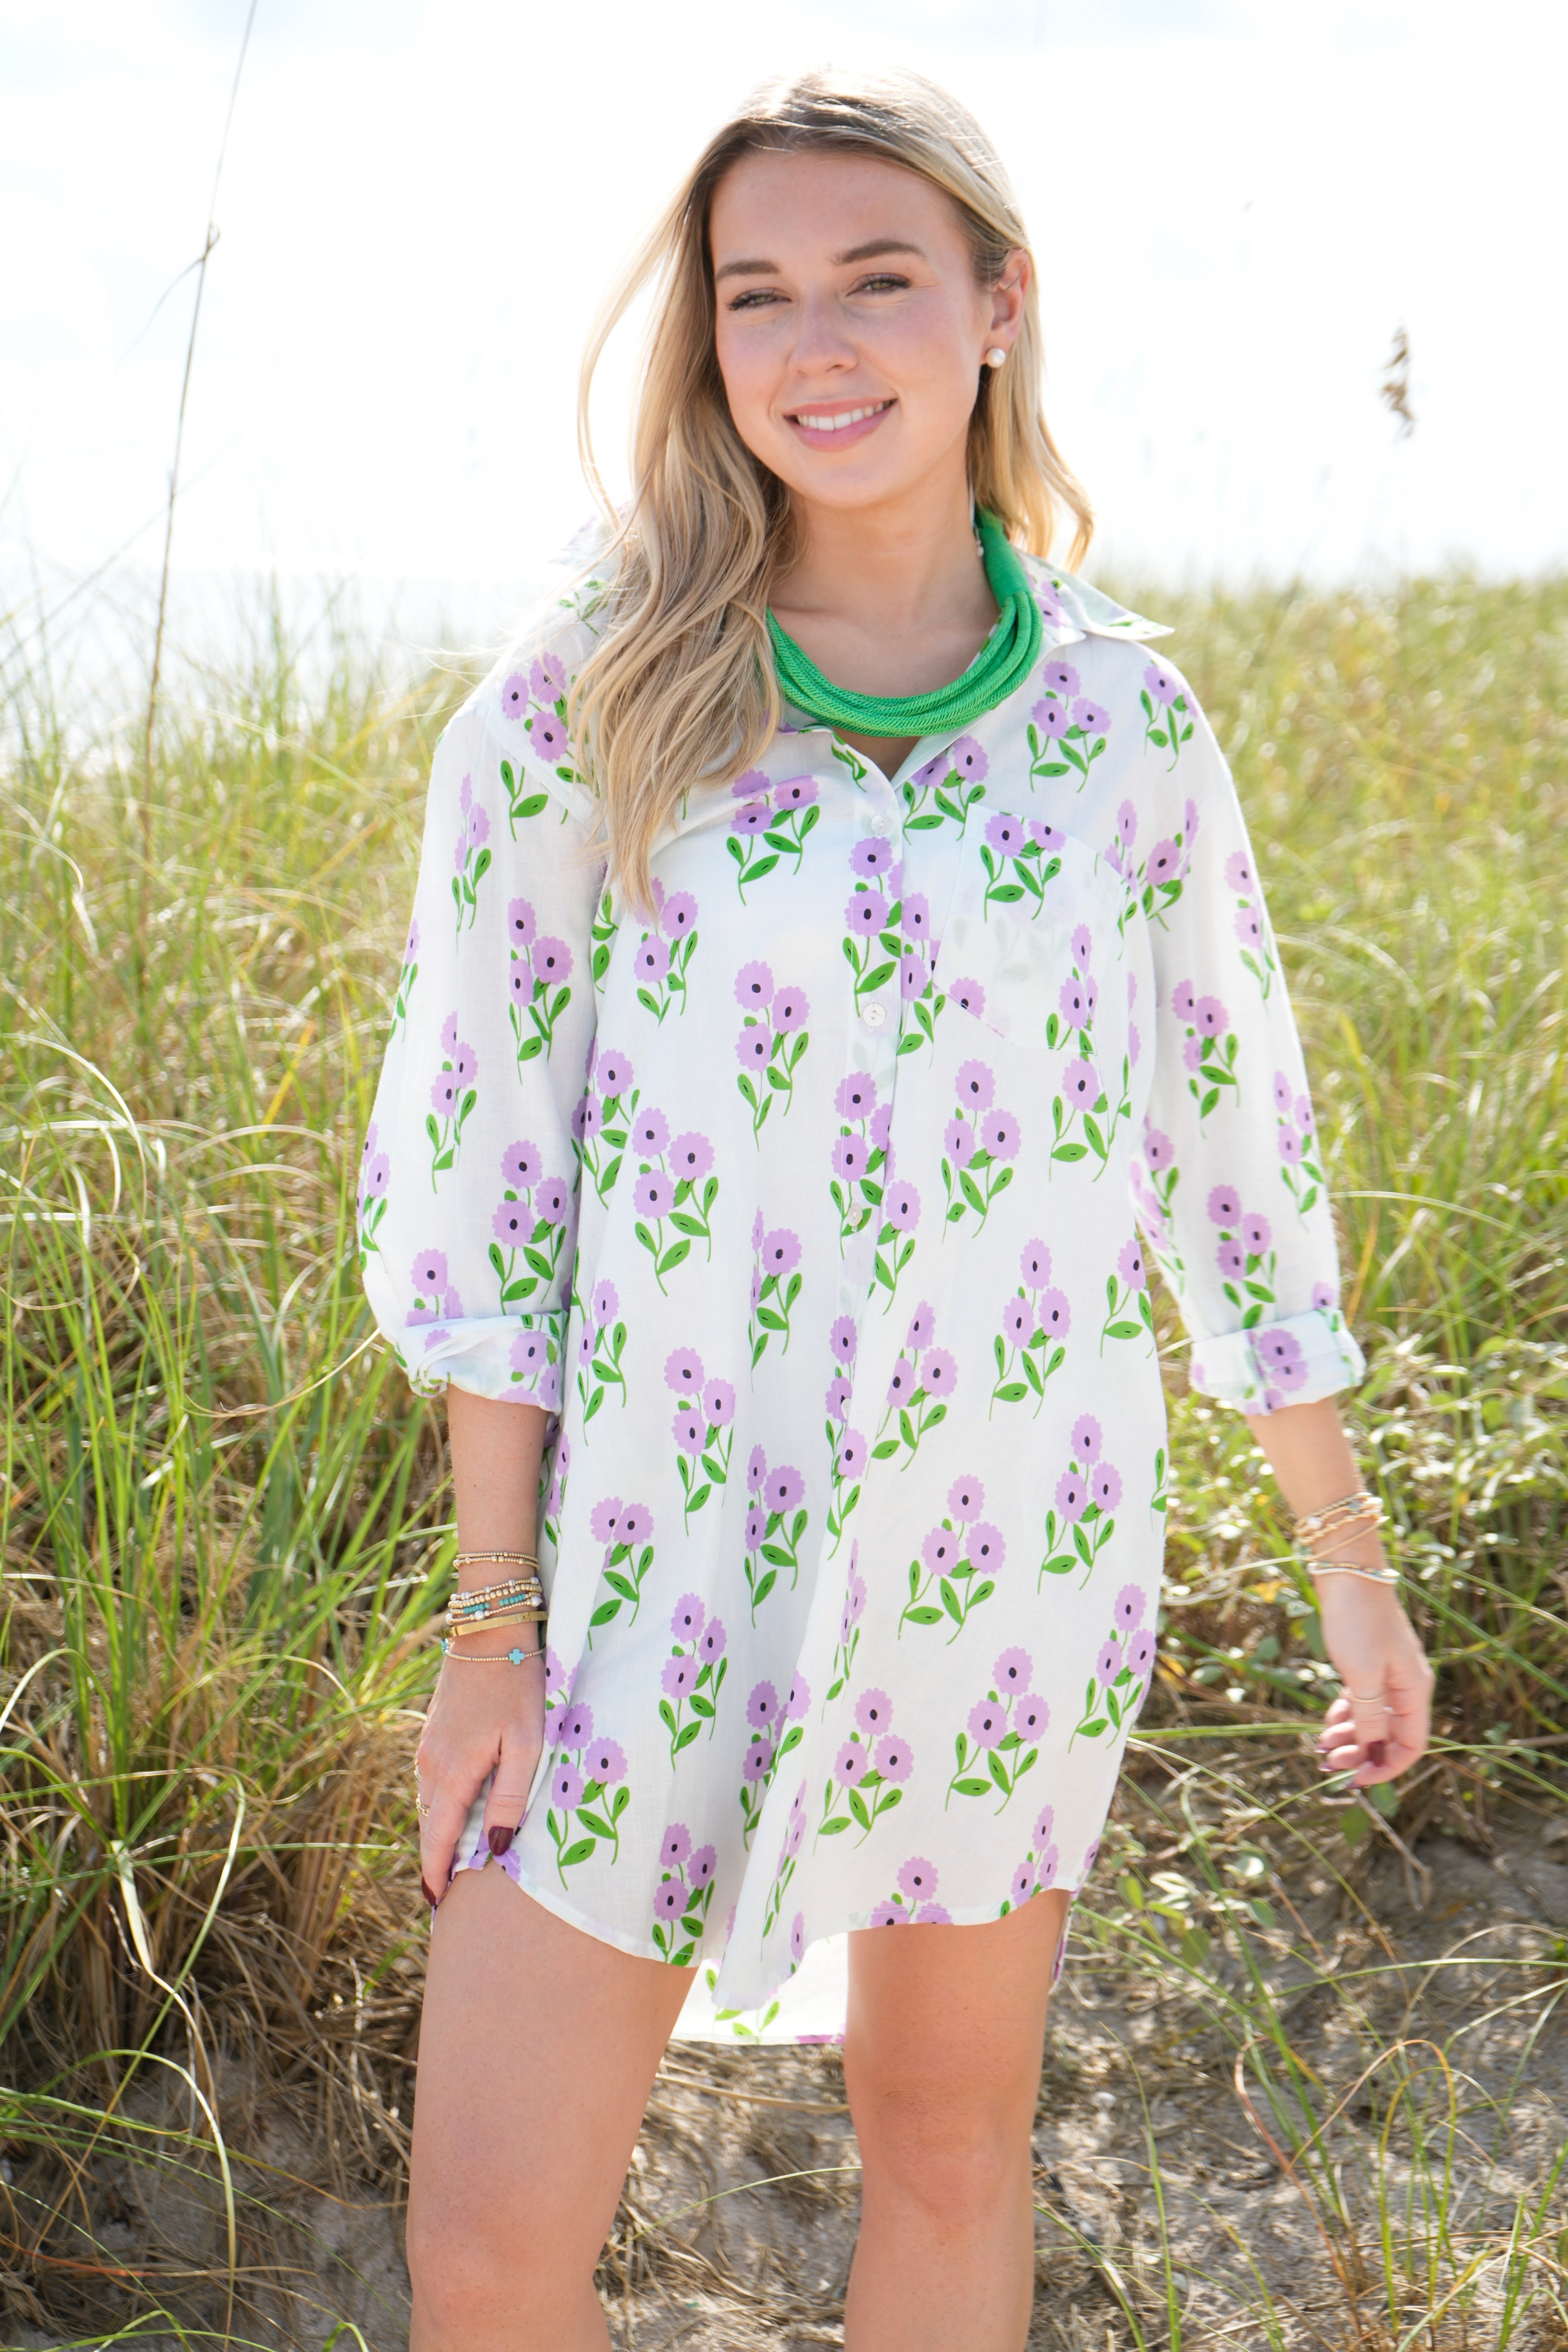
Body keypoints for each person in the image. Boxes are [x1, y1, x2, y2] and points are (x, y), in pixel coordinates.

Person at [358, 68, 1433, 2352]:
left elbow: (1230, 1148)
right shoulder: (587, 696)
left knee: (945, 2150)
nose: (813, 344)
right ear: (706, 344)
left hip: (1006, 1534)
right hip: (647, 1549)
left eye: (874, 280)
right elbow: (490, 1175)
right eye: (757, 296)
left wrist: (1348, 1567)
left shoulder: (1123, 728)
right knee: (483, 2240)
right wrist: (484, 1621)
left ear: (994, 308)